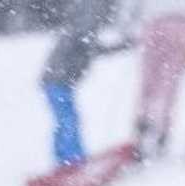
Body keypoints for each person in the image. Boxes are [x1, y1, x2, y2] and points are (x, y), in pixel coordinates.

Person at [40, 0, 132, 168]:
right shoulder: (76, 34)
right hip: (56, 82)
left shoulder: (82, 36)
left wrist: (122, 46)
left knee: (66, 120)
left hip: (60, 83)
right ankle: (72, 160)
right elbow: (89, 45)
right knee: (69, 120)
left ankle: (64, 160)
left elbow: (94, 48)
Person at [129, 0, 185, 160]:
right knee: (170, 86)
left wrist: (133, 24)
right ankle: (162, 133)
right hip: (181, 25)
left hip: (154, 24)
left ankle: (142, 130)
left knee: (149, 84)